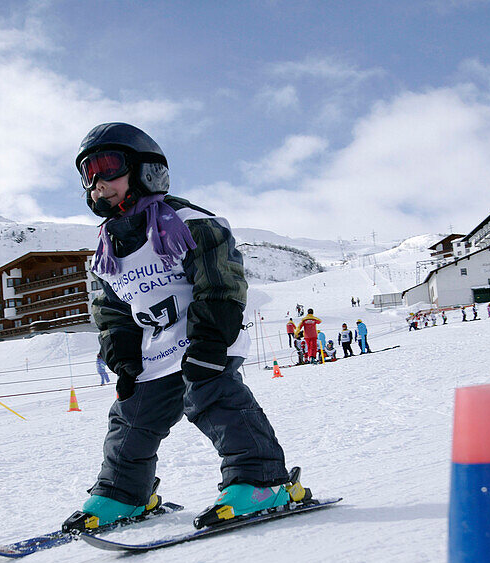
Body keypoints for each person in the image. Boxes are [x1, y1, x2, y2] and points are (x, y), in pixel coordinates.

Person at [62, 122, 308, 533]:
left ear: (145, 170)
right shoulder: (106, 250)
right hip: (154, 351)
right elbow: (111, 310)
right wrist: (122, 359)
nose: (98, 183)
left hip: (205, 341)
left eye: (108, 167)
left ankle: (264, 481)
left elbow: (220, 281)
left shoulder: (188, 222)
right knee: (131, 418)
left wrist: (210, 342)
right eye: (88, 174)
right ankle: (123, 494)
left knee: (214, 399)